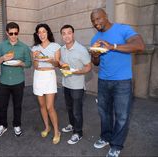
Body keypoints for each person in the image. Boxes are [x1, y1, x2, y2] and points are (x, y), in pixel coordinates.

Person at [90, 8, 145, 157]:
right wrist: (94, 55)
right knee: (104, 113)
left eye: (98, 19)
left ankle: (116, 145)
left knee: (121, 115)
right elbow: (96, 63)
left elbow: (140, 45)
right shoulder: (95, 38)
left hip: (122, 82)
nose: (96, 23)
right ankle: (106, 137)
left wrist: (113, 46)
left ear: (106, 16)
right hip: (103, 81)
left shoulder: (123, 29)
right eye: (93, 21)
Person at [0, 22, 32, 137]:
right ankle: (2, 125)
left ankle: (17, 124)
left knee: (17, 105)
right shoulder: (1, 46)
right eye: (11, 33)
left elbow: (29, 64)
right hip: (4, 81)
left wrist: (21, 64)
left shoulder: (24, 47)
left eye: (16, 33)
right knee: (2, 105)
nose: (14, 35)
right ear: (7, 33)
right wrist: (3, 58)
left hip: (18, 81)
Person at [59, 25, 91, 144]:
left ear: (73, 34)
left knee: (77, 111)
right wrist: (61, 64)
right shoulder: (62, 49)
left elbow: (88, 67)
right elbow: (61, 63)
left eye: (69, 33)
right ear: (61, 36)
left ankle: (78, 133)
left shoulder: (81, 49)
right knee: (69, 108)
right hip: (66, 83)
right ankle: (72, 125)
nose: (67, 35)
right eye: (64, 33)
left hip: (77, 86)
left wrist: (77, 71)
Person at [31, 23, 61, 144]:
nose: (42, 34)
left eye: (44, 31)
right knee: (42, 106)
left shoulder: (55, 46)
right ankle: (47, 127)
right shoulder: (34, 48)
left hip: (49, 76)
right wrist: (34, 58)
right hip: (38, 76)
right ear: (37, 35)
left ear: (48, 32)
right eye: (39, 32)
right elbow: (35, 66)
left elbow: (57, 64)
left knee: (50, 106)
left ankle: (56, 131)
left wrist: (51, 60)